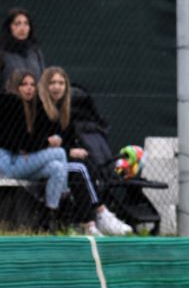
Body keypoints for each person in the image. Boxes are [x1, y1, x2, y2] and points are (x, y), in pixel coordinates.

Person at [38, 67, 133, 236]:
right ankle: (99, 215)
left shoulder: (65, 111)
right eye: (52, 83)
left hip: (60, 159)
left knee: (86, 164)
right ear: (45, 86)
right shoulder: (40, 109)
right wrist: (68, 151)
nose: (57, 87)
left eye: (61, 83)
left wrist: (71, 150)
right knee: (79, 168)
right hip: (41, 162)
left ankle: (89, 222)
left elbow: (66, 141)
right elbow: (37, 143)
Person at [0, 70, 67, 232]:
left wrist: (29, 146)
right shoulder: (10, 102)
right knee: (59, 153)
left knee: (57, 168)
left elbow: (30, 140)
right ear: (15, 86)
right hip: (8, 165)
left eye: (32, 85)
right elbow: (18, 140)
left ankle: (50, 218)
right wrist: (44, 143)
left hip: (21, 162)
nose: (29, 88)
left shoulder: (32, 107)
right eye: (24, 85)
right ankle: (65, 196)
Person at [0, 8, 45, 92]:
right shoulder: (2, 53)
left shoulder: (35, 52)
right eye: (17, 24)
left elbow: (43, 79)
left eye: (26, 24)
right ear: (9, 27)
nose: (22, 28)